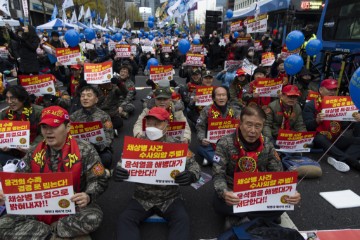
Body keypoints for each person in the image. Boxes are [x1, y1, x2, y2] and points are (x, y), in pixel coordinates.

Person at [0, 106, 108, 239]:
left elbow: (99, 179)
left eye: (54, 127)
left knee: (93, 217)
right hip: (39, 205)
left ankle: (43, 231)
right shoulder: (34, 151)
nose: (49, 132)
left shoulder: (85, 149)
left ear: (68, 127)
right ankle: (53, 235)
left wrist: (87, 195)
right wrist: (6, 192)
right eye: (44, 127)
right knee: (3, 224)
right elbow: (18, 177)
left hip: (73, 205)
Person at [114, 107, 200, 240]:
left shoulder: (177, 144)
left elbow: (195, 166)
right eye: (149, 123)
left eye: (157, 123)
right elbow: (122, 163)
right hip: (142, 198)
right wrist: (118, 172)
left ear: (167, 124)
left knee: (182, 220)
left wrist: (191, 175)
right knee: (124, 219)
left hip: (170, 198)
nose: (152, 127)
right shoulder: (136, 145)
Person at [212, 105, 301, 227]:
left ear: (263, 126)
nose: (253, 130)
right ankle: (264, 218)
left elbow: (277, 172)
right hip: (234, 191)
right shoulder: (225, 143)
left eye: (258, 126)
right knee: (218, 203)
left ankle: (242, 219)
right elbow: (218, 174)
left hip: (259, 192)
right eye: (249, 125)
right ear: (240, 124)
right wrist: (225, 192)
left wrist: (291, 191)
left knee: (284, 202)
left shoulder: (267, 144)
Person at [303, 79, 360, 172]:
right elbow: (307, 127)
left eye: (334, 90)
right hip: (318, 139)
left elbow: (344, 126)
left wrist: (353, 118)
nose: (332, 92)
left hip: (335, 137)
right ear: (321, 90)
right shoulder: (311, 105)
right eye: (329, 89)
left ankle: (339, 159)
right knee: (319, 138)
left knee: (358, 141)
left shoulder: (339, 104)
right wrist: (316, 120)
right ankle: (351, 161)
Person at [70, 85, 114, 173]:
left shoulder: (104, 116)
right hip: (78, 150)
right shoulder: (74, 116)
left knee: (106, 159)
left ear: (96, 99)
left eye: (89, 95)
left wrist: (97, 146)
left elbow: (109, 137)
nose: (85, 98)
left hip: (99, 150)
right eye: (82, 96)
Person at [196, 87, 240, 166]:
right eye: (218, 95)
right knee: (201, 148)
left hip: (230, 143)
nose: (221, 98)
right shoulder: (207, 110)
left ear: (227, 97)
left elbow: (240, 125)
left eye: (224, 95)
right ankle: (221, 161)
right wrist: (202, 138)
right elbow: (200, 127)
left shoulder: (233, 110)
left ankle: (214, 160)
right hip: (212, 143)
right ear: (213, 98)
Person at [0, 86, 43, 165]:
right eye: (7, 98)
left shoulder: (38, 112)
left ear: (22, 98)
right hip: (13, 154)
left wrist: (32, 147)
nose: (9, 102)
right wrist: (3, 145)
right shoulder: (4, 114)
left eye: (13, 98)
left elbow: (45, 134)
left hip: (36, 152)